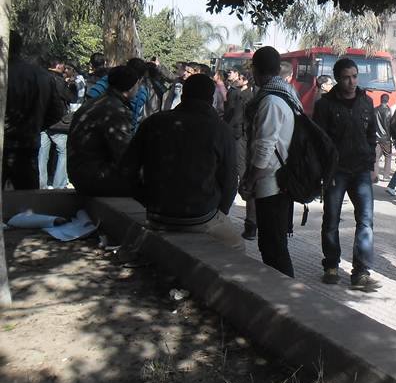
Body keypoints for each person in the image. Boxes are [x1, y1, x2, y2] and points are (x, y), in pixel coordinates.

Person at [123, 74, 243, 250]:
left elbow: (127, 168)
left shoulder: (153, 122)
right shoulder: (220, 129)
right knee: (238, 247)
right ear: (211, 99)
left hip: (157, 212)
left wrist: (146, 198)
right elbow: (230, 180)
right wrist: (220, 211)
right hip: (200, 216)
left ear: (183, 95)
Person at [313, 57, 380, 291]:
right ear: (337, 79)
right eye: (346, 78)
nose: (351, 82)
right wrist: (323, 171)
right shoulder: (325, 105)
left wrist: (373, 166)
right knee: (331, 219)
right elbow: (318, 141)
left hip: (361, 170)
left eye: (354, 76)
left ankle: (361, 272)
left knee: (366, 221)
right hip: (336, 171)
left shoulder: (366, 102)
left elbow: (372, 136)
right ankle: (331, 265)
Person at [241, 47, 299, 276]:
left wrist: (250, 180)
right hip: (279, 180)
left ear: (256, 70)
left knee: (273, 247)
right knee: (272, 244)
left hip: (272, 184)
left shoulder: (271, 101)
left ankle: (285, 292)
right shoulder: (286, 94)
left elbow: (264, 148)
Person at [67, 65, 141, 196]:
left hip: (80, 171)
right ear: (131, 87)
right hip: (94, 176)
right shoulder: (115, 110)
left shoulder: (95, 102)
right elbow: (124, 153)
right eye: (137, 85)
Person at [3, 32, 65, 189]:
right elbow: (56, 112)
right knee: (27, 196)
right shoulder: (41, 75)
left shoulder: (40, 75)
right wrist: (34, 127)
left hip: (23, 142)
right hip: (28, 144)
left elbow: (55, 112)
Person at [224, 66, 256, 239]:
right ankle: (251, 223)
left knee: (240, 174)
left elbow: (232, 117)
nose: (236, 79)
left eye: (239, 77)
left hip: (240, 138)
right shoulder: (248, 94)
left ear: (245, 79)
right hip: (245, 138)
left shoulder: (242, 95)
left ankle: (250, 222)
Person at [39, 60, 78, 189]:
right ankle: (59, 185)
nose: (65, 69)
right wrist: (71, 87)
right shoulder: (58, 80)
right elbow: (70, 98)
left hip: (42, 121)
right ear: (58, 66)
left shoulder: (41, 78)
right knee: (63, 152)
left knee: (42, 153)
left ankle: (40, 184)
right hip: (57, 123)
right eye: (63, 66)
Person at [373, 93, 393, 181]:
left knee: (376, 158)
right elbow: (391, 125)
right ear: (387, 100)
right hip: (386, 138)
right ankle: (386, 176)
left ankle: (375, 176)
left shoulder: (375, 110)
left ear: (380, 99)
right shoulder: (389, 111)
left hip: (376, 138)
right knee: (388, 156)